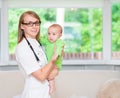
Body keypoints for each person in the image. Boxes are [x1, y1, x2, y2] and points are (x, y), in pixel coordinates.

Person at [15, 11, 59, 98]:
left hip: (44, 93)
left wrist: (51, 79)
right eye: (30, 24)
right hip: (34, 94)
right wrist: (54, 59)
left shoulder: (37, 43)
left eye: (36, 23)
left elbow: (50, 69)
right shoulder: (22, 47)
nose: (34, 26)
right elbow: (42, 76)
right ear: (22, 26)